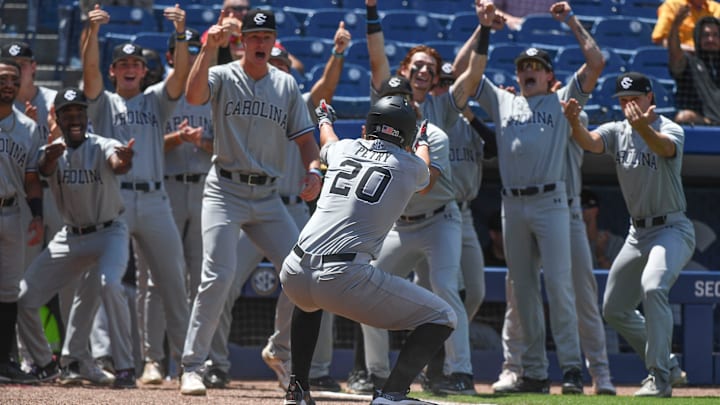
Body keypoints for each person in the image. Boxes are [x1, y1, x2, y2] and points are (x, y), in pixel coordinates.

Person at [180, 9, 322, 396]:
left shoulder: (286, 84)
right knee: (219, 275)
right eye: (253, 37)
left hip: (267, 195)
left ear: (273, 41)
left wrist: (314, 169)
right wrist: (208, 48)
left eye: (266, 37)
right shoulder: (224, 75)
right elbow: (192, 95)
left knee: (303, 273)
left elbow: (306, 139)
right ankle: (193, 365)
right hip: (225, 190)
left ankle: (279, 350)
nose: (260, 43)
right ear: (241, 42)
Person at [281, 95, 455, 405]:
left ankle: (297, 389)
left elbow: (328, 139)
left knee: (307, 303)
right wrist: (424, 140)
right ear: (406, 136)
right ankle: (392, 394)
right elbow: (425, 167)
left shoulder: (345, 147)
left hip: (294, 268)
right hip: (341, 276)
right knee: (443, 316)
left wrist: (324, 120)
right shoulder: (410, 164)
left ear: (367, 128)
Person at [358, 0, 493, 395]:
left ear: (434, 80)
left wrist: (484, 29)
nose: (420, 73)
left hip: (439, 219)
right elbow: (376, 57)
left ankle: (460, 370)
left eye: (428, 70)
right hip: (401, 223)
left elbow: (472, 74)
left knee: (447, 289)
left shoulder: (436, 124)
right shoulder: (387, 103)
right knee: (365, 285)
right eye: (415, 66)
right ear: (404, 73)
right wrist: (371, 10)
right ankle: (376, 372)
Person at [472, 1, 605, 394]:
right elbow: (470, 79)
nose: (527, 72)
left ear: (550, 76)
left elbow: (596, 63)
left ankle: (571, 369)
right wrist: (484, 30)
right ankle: (533, 371)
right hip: (512, 204)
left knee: (560, 287)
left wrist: (571, 22)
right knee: (523, 290)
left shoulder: (561, 99)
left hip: (551, 202)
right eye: (522, 68)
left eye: (536, 68)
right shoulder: (503, 100)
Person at [72, 3, 192, 387]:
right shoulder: (103, 101)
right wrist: (92, 33)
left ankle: (188, 365)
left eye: (135, 64)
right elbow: (89, 72)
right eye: (122, 64)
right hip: (115, 201)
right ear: (113, 71)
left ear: (143, 71)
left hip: (156, 200)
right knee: (101, 281)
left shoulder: (155, 99)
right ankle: (116, 360)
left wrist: (180, 35)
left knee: (173, 282)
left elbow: (182, 79)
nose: (128, 68)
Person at [562, 71, 695, 397]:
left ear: (650, 97)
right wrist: (574, 123)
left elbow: (664, 149)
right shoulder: (618, 130)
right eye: (623, 100)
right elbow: (591, 142)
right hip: (639, 232)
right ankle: (670, 363)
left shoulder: (669, 127)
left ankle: (660, 376)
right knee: (614, 308)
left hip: (672, 228)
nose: (628, 105)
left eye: (634, 98)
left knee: (653, 287)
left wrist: (642, 128)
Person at [491, 109, 617, 396]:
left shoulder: (567, 118)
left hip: (567, 210)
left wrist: (557, 106)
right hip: (526, 209)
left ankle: (600, 373)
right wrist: (527, 110)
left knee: (583, 297)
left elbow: (580, 121)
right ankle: (513, 368)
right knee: (517, 295)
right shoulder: (525, 122)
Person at [16, 87, 135, 387]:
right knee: (25, 297)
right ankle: (49, 363)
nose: (74, 118)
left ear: (86, 114)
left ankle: (125, 368)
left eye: (78, 111)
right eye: (67, 112)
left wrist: (125, 160)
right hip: (71, 237)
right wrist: (49, 159)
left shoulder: (103, 144)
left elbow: (118, 163)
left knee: (109, 285)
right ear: (57, 116)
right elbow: (44, 167)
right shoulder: (52, 151)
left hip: (110, 232)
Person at [255, 24, 350, 393]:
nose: (278, 67)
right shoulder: (247, 94)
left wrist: (338, 52)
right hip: (252, 198)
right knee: (223, 282)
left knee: (301, 283)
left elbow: (324, 88)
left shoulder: (296, 100)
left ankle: (285, 352)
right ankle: (209, 363)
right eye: (273, 61)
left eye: (283, 63)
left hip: (291, 207)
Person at [135, 27, 211, 386]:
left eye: (198, 52)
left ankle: (192, 363)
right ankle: (153, 359)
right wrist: (178, 138)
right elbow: (145, 147)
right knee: (153, 281)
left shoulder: (210, 92)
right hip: (163, 189)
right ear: (171, 57)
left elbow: (224, 145)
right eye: (186, 52)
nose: (193, 58)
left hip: (203, 189)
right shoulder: (154, 95)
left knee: (200, 280)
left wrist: (204, 141)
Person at [0, 57, 43, 384]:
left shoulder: (27, 128)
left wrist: (38, 216)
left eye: (14, 79)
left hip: (12, 211)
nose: (8, 83)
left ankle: (5, 361)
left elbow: (31, 178)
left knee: (9, 290)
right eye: (2, 77)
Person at [669, 11, 720, 125]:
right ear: (698, 38)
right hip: (701, 122)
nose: (710, 39)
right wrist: (675, 26)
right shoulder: (689, 63)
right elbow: (675, 55)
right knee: (684, 117)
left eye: (715, 35)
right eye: (706, 35)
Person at [581, 189, 624, 270]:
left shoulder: (614, 242)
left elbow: (617, 278)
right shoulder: (569, 242)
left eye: (584, 207)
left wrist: (600, 255)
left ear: (595, 210)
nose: (580, 212)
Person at [652, 0, 720, 52]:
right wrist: (691, 49)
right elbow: (660, 40)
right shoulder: (672, 6)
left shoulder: (716, 9)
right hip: (682, 59)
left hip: (712, 59)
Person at [491, 0, 556, 30]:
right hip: (510, 35)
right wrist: (510, 20)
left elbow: (563, 14)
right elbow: (492, 8)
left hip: (546, 35)